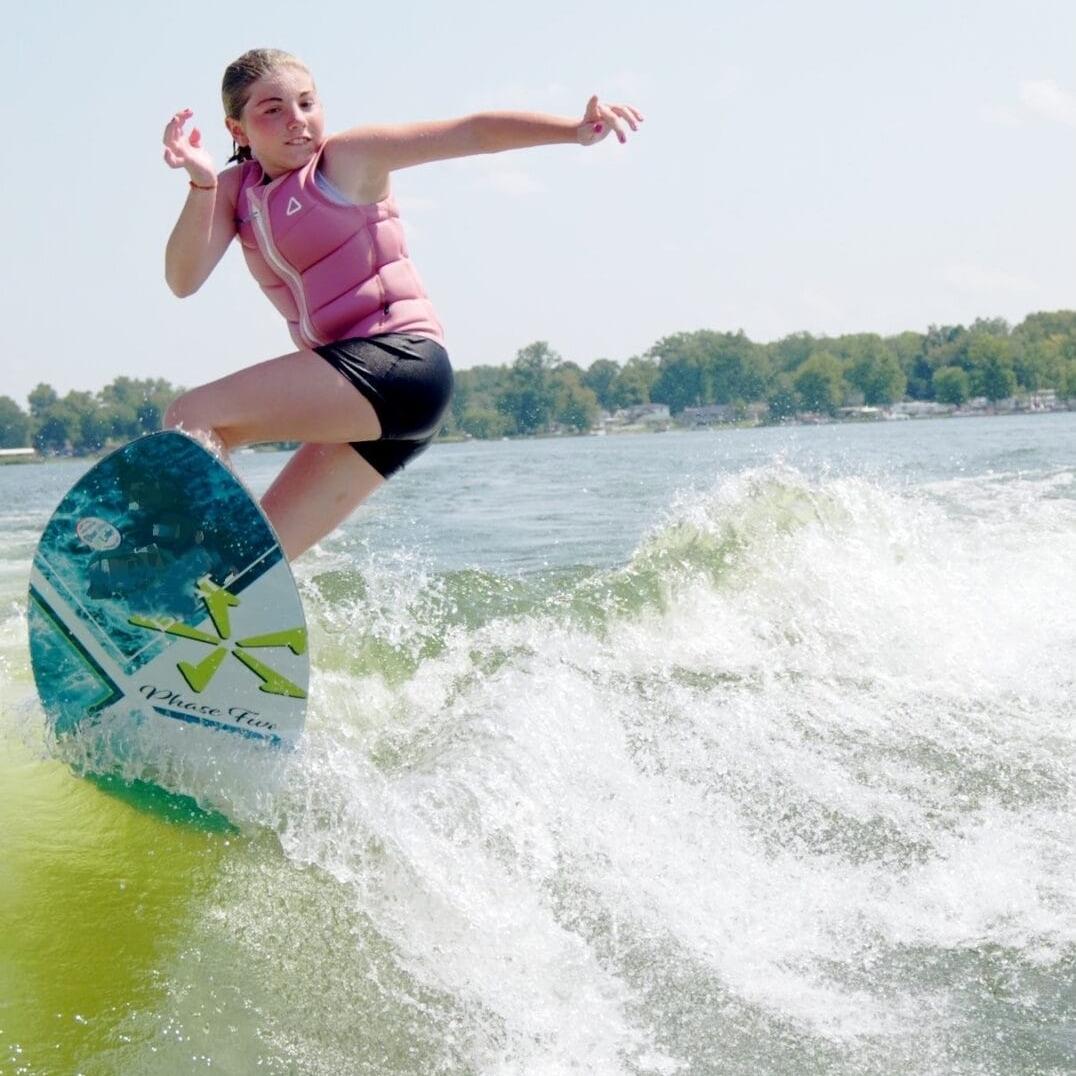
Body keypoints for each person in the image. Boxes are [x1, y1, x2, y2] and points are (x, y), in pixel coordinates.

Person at [162, 47, 643, 561]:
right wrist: (201, 184)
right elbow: (183, 280)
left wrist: (573, 128)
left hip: (399, 364)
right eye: (273, 109)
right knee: (255, 560)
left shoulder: (347, 158)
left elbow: (472, 132)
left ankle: (181, 558)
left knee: (190, 417)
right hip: (369, 396)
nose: (297, 122)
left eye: (306, 103)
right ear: (237, 130)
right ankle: (216, 598)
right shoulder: (235, 192)